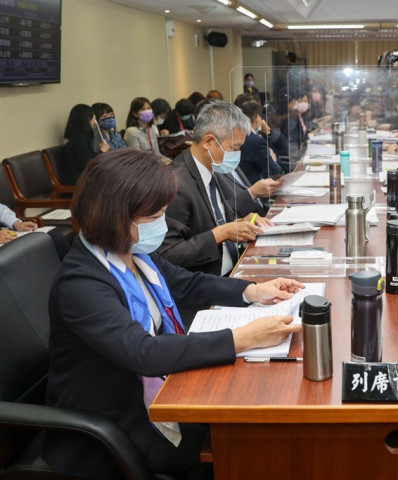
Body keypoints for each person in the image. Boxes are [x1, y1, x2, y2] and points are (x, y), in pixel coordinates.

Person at [42, 149, 304, 479]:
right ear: (116, 217)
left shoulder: (131, 251)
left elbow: (185, 282)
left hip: (157, 393)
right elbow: (144, 353)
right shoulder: (80, 283)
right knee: (246, 442)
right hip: (115, 424)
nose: (163, 224)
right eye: (154, 216)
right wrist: (242, 338)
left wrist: (252, 291)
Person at [160, 100, 269, 279]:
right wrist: (223, 232)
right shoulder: (175, 183)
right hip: (206, 282)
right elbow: (169, 254)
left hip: (235, 269)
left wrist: (240, 222)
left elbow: (207, 221)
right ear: (209, 141)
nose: (237, 155)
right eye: (234, 148)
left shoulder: (212, 166)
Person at [234, 98, 283, 184]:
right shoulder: (256, 141)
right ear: (257, 118)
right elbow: (275, 170)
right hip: (257, 189)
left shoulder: (237, 135)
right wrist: (273, 158)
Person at [62, 104, 109, 185]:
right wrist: (102, 151)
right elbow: (87, 165)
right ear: (88, 119)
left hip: (86, 178)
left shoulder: (81, 137)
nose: (94, 123)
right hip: (80, 181)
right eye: (94, 119)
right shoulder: (78, 139)